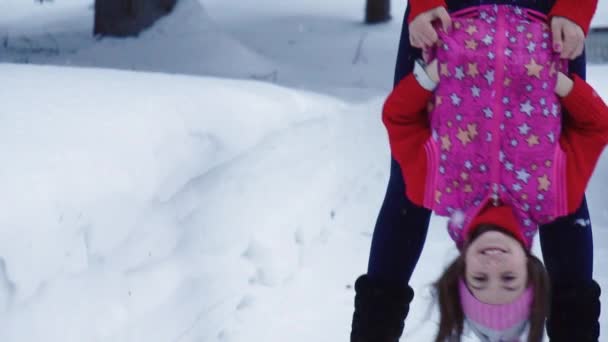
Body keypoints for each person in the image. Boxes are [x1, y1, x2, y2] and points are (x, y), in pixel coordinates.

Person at [349, 1, 601, 341]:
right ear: (530, 272)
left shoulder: (437, 185)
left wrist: (425, 8)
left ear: (460, 272)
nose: (493, 267)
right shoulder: (553, 193)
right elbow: (593, 126)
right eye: (509, 279)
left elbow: (400, 117)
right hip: (547, 19)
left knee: (405, 193)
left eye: (479, 279)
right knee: (566, 211)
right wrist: (575, 11)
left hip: (449, 17)